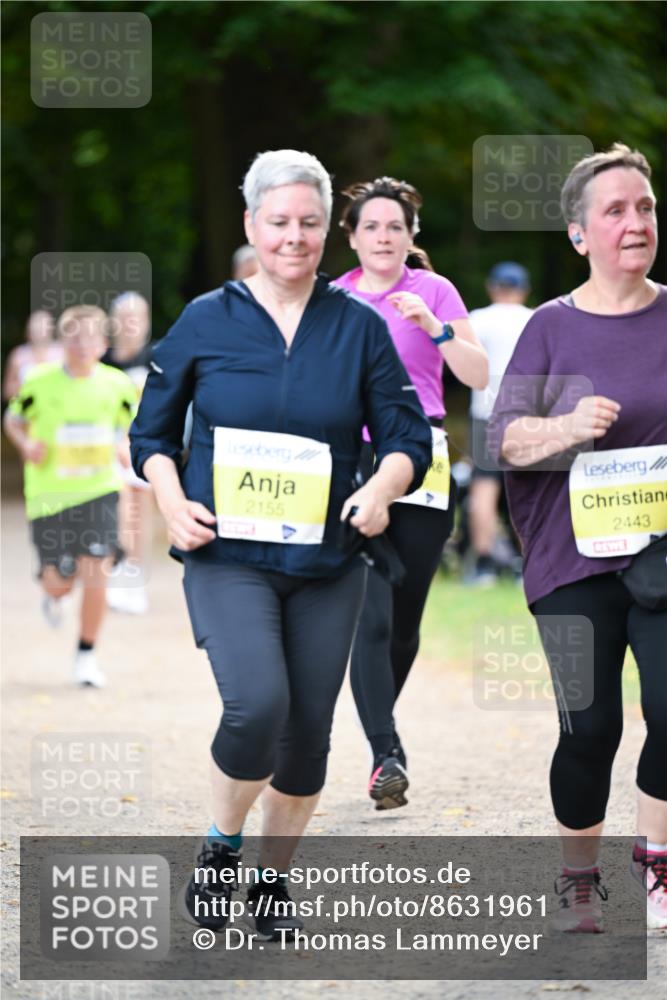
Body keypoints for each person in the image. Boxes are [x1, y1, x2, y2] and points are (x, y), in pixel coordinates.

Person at [129, 150, 432, 939]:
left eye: (308, 222)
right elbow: (150, 436)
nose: (293, 237)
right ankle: (221, 846)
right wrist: (171, 500)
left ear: (327, 229)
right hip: (228, 556)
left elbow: (406, 438)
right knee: (257, 704)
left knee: (306, 740)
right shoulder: (207, 319)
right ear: (250, 225)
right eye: (277, 222)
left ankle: (270, 882)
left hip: (328, 563)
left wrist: (381, 488)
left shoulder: (359, 327)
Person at [489, 143, 667, 931]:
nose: (635, 223)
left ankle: (655, 859)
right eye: (615, 210)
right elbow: (504, 440)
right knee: (590, 728)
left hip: (661, 553)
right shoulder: (550, 327)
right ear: (577, 233)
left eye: (645, 207)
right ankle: (577, 878)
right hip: (571, 561)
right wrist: (565, 426)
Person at [334, 177, 488, 810]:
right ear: (351, 236)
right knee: (368, 613)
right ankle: (385, 753)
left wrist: (436, 328)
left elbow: (479, 374)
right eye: (370, 226)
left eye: (394, 226)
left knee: (403, 623)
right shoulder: (332, 298)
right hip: (355, 459)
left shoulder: (436, 291)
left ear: (410, 235)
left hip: (423, 454)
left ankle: (381, 732)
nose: (383, 237)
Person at [4, 305, 137, 688]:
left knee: (96, 570)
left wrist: (125, 445)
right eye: (74, 337)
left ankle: (86, 656)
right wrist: (26, 444)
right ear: (62, 342)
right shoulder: (39, 382)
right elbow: (13, 419)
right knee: (58, 583)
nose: (82, 345)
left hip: (99, 490)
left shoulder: (117, 384)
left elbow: (131, 424)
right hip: (49, 495)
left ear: (103, 343)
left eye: (90, 337)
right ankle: (55, 592)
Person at [468, 262, 532, 585]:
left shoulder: (477, 319)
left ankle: (484, 564)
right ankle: (527, 563)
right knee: (527, 487)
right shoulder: (535, 318)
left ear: (492, 287)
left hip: (485, 412)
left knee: (484, 486)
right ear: (523, 290)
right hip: (527, 414)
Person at [103, 292, 154, 615]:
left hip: (144, 443)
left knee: (139, 509)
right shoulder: (102, 361)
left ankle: (135, 574)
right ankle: (117, 566)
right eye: (125, 317)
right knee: (117, 507)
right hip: (107, 446)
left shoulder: (157, 358)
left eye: (138, 317)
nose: (131, 324)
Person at [2, 310, 62, 402]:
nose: (40, 331)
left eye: (43, 326)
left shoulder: (62, 352)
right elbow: (7, 392)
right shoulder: (19, 354)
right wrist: (25, 391)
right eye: (36, 327)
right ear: (28, 330)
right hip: (26, 406)